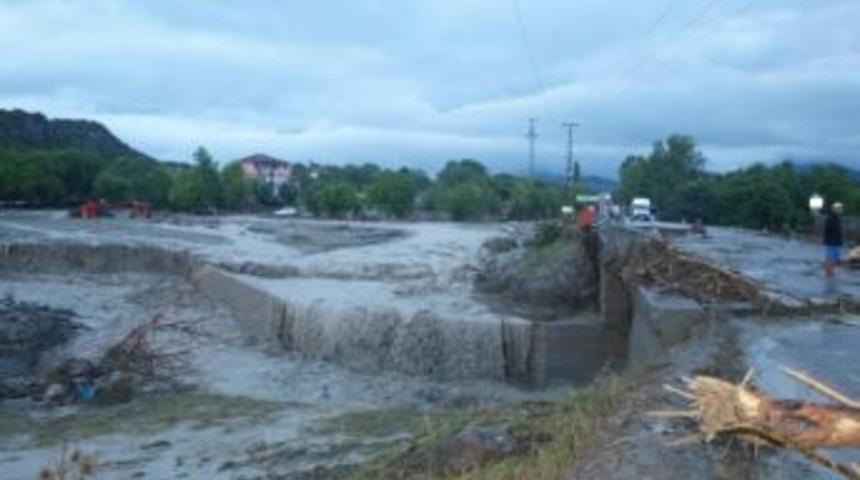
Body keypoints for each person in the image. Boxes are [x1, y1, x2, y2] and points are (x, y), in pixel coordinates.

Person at [823, 202, 844, 278]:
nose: (841, 210)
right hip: (832, 242)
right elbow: (829, 231)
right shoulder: (830, 218)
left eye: (841, 208)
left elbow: (838, 231)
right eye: (839, 208)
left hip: (837, 242)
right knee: (831, 259)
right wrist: (831, 240)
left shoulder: (837, 218)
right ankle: (828, 274)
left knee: (836, 260)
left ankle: (830, 273)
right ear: (834, 209)